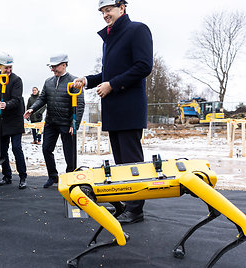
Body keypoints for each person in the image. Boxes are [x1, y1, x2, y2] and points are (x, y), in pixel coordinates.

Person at [73, 0, 153, 224]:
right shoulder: (109, 39)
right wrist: (88, 80)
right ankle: (129, 203)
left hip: (128, 107)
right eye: (102, 11)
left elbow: (143, 66)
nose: (105, 14)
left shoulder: (138, 29)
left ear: (122, 8)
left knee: (131, 161)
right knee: (121, 161)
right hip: (114, 109)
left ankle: (136, 209)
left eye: (108, 10)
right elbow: (108, 73)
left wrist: (113, 85)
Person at [24, 54, 85, 188]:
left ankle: (71, 178)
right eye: (51, 67)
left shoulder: (74, 81)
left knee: (69, 153)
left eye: (55, 66)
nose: (52, 69)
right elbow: (42, 98)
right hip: (51, 122)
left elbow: (80, 104)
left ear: (64, 65)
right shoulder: (48, 82)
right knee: (46, 149)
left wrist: (74, 124)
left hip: (66, 123)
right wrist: (32, 109)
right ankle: (53, 176)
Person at [0, 52, 27, 189]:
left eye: (10, 67)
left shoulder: (16, 80)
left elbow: (17, 99)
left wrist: (6, 105)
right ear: (0, 66)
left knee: (16, 148)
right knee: (2, 150)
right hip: (1, 121)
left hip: (15, 119)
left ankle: (23, 176)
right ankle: (7, 176)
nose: (8, 70)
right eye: (6, 67)